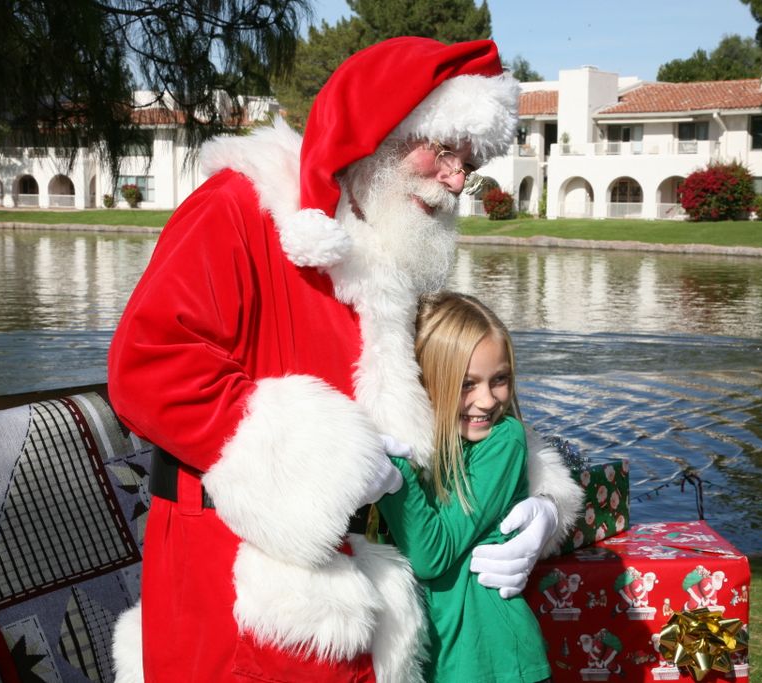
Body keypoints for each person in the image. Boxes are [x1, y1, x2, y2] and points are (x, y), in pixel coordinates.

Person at [108, 36, 583, 683]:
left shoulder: (390, 259)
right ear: (381, 132)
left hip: (367, 602)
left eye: (468, 159)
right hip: (239, 591)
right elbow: (149, 365)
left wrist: (541, 501)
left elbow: (448, 404)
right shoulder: (239, 210)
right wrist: (328, 456)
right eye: (444, 149)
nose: (458, 177)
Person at [377, 291, 553, 683]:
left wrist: (394, 478)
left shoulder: (503, 441)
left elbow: (431, 554)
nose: (488, 400)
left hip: (494, 663)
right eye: (467, 384)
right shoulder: (426, 443)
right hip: (437, 659)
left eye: (500, 380)